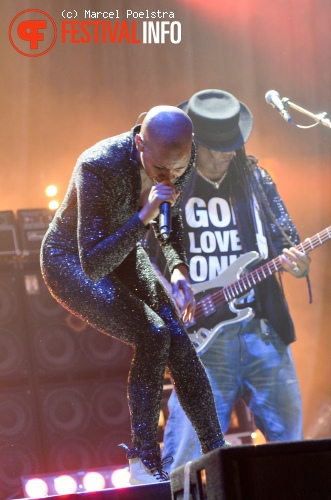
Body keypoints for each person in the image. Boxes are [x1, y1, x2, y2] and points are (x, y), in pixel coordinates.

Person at [40, 105, 229, 486]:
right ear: (140, 142)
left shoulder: (178, 159)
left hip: (125, 247)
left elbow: (168, 218)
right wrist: (144, 214)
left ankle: (218, 451)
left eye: (178, 171)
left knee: (179, 341)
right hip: (72, 260)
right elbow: (93, 262)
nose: (170, 177)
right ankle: (144, 460)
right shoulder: (98, 165)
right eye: (161, 170)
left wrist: (177, 269)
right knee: (153, 333)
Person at [146, 90, 311, 471]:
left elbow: (290, 242)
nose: (227, 154)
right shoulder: (168, 186)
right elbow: (140, 254)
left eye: (233, 146)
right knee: (188, 457)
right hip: (202, 344)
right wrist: (169, 295)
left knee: (294, 450)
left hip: (261, 333)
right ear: (193, 145)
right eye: (217, 148)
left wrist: (298, 266)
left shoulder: (254, 179)